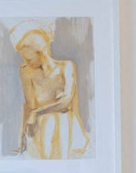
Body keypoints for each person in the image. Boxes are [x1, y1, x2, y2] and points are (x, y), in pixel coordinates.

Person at [9, 20, 91, 159]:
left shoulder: (66, 67)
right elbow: (29, 106)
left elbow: (66, 102)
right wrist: (22, 139)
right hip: (40, 128)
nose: (26, 63)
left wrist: (38, 111)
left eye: (28, 59)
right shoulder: (27, 72)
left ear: (40, 51)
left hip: (64, 125)